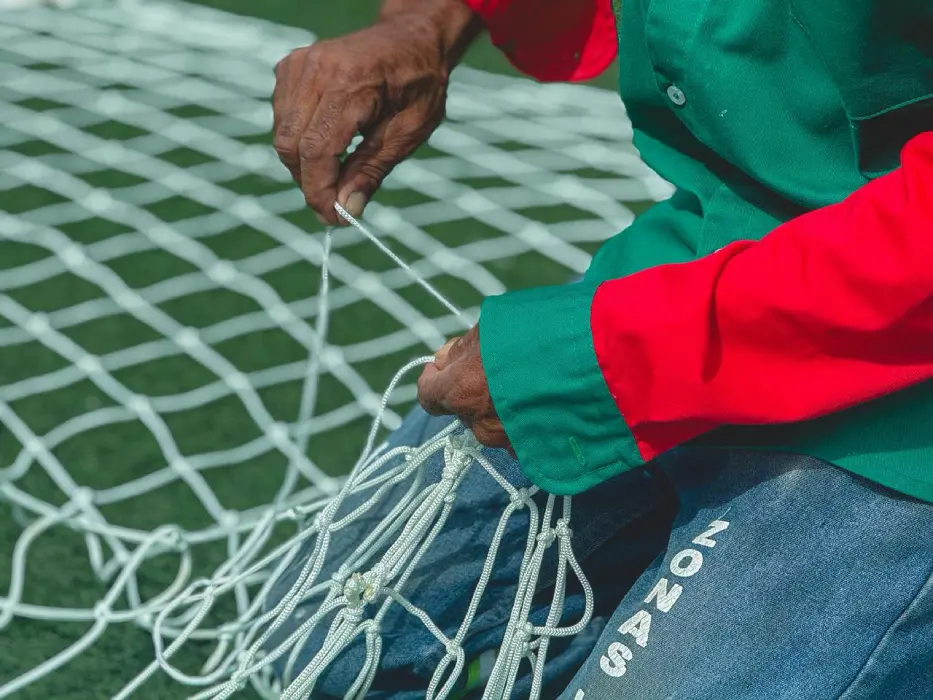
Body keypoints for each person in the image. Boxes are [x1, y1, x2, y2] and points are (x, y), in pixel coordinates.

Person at [270, 0, 933, 697]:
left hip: (906, 415)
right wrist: (426, 22)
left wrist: (603, 359)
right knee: (322, 644)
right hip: (710, 250)